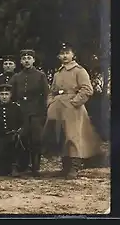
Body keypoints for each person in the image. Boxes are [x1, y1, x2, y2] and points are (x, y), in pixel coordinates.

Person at [42, 42, 102, 179]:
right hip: (58, 107)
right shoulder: (58, 73)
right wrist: (51, 102)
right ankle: (65, 166)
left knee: (73, 136)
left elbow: (87, 89)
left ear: (73, 55)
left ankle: (74, 167)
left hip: (73, 108)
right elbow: (52, 91)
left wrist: (75, 102)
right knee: (61, 135)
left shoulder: (79, 70)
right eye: (62, 53)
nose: (64, 56)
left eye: (67, 53)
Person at [9, 49, 49, 176]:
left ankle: (36, 167)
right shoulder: (16, 77)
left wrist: (43, 111)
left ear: (33, 60)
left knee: (36, 139)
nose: (26, 61)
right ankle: (21, 166)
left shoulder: (40, 75)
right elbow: (11, 94)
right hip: (21, 112)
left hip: (36, 112)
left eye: (29, 58)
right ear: (21, 61)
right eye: (24, 59)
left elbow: (46, 94)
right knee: (21, 138)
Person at [0, 84, 26, 177]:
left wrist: (19, 132)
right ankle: (3, 168)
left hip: (14, 137)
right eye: (2, 94)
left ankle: (15, 167)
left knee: (15, 143)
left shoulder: (16, 108)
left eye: (6, 94)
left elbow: (23, 123)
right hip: (0, 137)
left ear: (10, 95)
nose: (4, 97)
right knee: (0, 146)